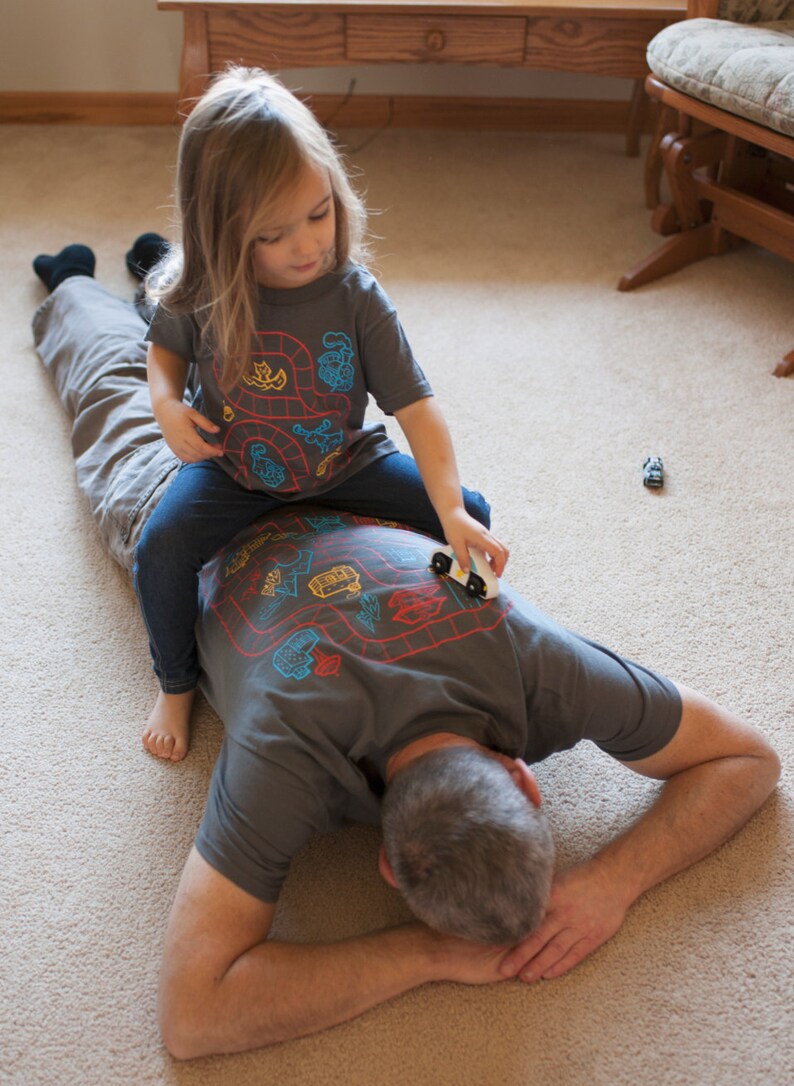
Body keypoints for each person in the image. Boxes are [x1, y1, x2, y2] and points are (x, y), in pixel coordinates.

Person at [32, 264, 780, 1060]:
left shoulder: (535, 668)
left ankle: (147, 277)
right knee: (122, 391)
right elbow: (191, 1018)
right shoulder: (293, 757)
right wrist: (443, 949)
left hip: (334, 478)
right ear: (389, 866)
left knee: (178, 356)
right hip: (212, 495)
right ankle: (93, 280)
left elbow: (750, 757)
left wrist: (610, 880)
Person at [125, 67, 512, 762]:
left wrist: (450, 508)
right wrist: (165, 405)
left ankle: (443, 646)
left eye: (319, 214)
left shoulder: (356, 296)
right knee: (159, 548)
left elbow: (419, 408)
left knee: (475, 511)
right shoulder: (206, 288)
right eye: (274, 235)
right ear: (221, 235)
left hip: (343, 462)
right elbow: (163, 352)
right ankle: (176, 682)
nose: (307, 246)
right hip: (235, 469)